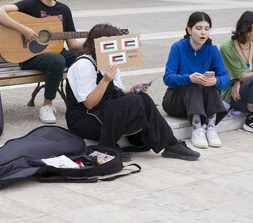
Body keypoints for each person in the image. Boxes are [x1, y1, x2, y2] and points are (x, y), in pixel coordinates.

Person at [65, 24, 200, 161]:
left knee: (142, 98)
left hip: (104, 113)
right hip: (84, 119)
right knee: (134, 101)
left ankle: (171, 144)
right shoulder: (84, 65)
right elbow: (89, 103)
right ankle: (107, 148)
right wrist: (105, 80)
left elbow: (116, 91)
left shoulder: (108, 62)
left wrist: (133, 90)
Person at [0, 0, 83, 124]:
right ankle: (47, 106)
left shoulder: (63, 10)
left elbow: (73, 43)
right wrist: (23, 29)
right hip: (30, 56)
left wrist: (95, 40)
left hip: (57, 52)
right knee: (57, 61)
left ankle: (82, 102)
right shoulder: (30, 5)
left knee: (85, 58)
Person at [162, 12, 230, 149]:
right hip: (176, 101)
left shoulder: (212, 50)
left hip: (201, 104)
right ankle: (197, 128)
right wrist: (188, 78)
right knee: (192, 82)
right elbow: (168, 78)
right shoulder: (178, 47)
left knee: (210, 82)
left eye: (206, 28)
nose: (203, 32)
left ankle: (211, 127)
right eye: (198, 28)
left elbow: (226, 79)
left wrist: (215, 81)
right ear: (189, 30)